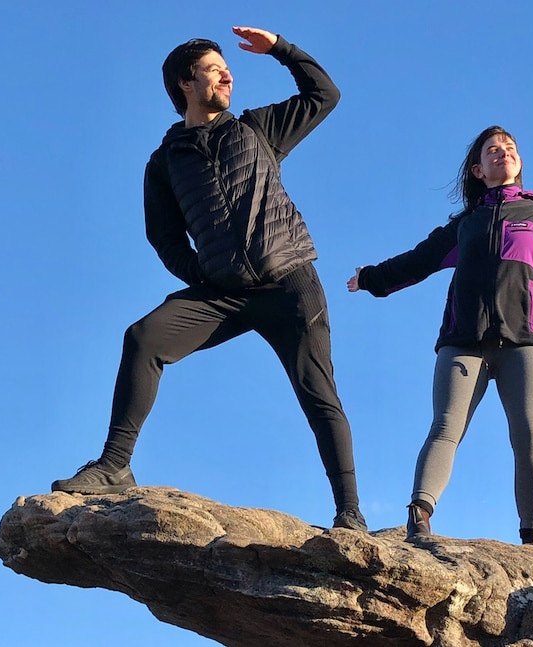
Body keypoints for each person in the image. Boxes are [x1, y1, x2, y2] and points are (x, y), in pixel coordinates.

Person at [52, 26, 367, 532]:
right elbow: (165, 238)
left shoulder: (257, 130)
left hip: (288, 283)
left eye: (228, 69)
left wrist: (281, 49)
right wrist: (201, 272)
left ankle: (349, 512)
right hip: (223, 292)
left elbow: (325, 95)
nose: (227, 74)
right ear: (184, 83)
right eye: (214, 69)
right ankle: (114, 466)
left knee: (317, 392)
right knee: (143, 338)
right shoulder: (164, 164)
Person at [348, 126, 533, 544]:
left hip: (524, 339)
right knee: (446, 425)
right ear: (478, 169)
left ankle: (532, 536)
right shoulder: (465, 224)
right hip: (463, 339)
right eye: (492, 150)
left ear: (519, 163)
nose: (502, 153)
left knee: (527, 430)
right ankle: (419, 515)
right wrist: (371, 278)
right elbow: (417, 261)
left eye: (510, 148)